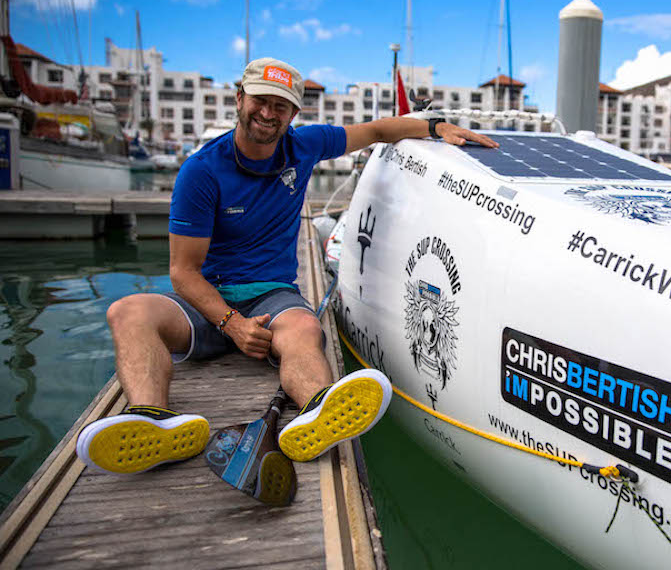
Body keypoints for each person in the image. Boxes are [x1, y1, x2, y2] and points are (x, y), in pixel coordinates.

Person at [75, 57, 498, 474]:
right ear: (240, 99)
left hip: (272, 295)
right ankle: (153, 423)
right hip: (210, 301)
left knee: (304, 329)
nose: (267, 113)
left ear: (293, 113)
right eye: (260, 100)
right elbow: (183, 273)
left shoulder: (304, 145)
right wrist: (232, 324)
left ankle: (318, 410)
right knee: (126, 312)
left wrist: (434, 127)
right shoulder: (201, 172)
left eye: (280, 106)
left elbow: (376, 131)